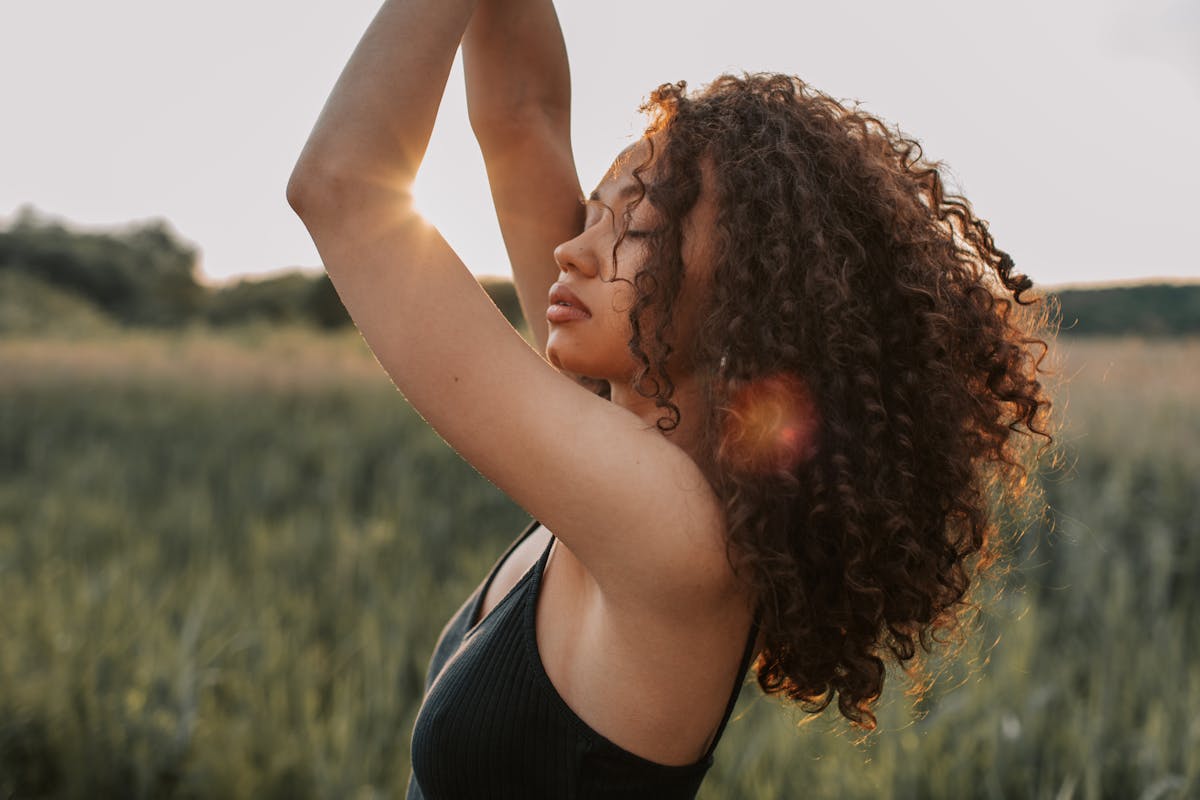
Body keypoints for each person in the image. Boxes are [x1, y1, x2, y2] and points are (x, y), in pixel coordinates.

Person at [286, 1, 1054, 797]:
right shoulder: (618, 422)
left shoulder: (670, 530)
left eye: (635, 229)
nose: (570, 250)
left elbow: (343, 185)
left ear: (747, 295)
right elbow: (523, 117)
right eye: (593, 212)